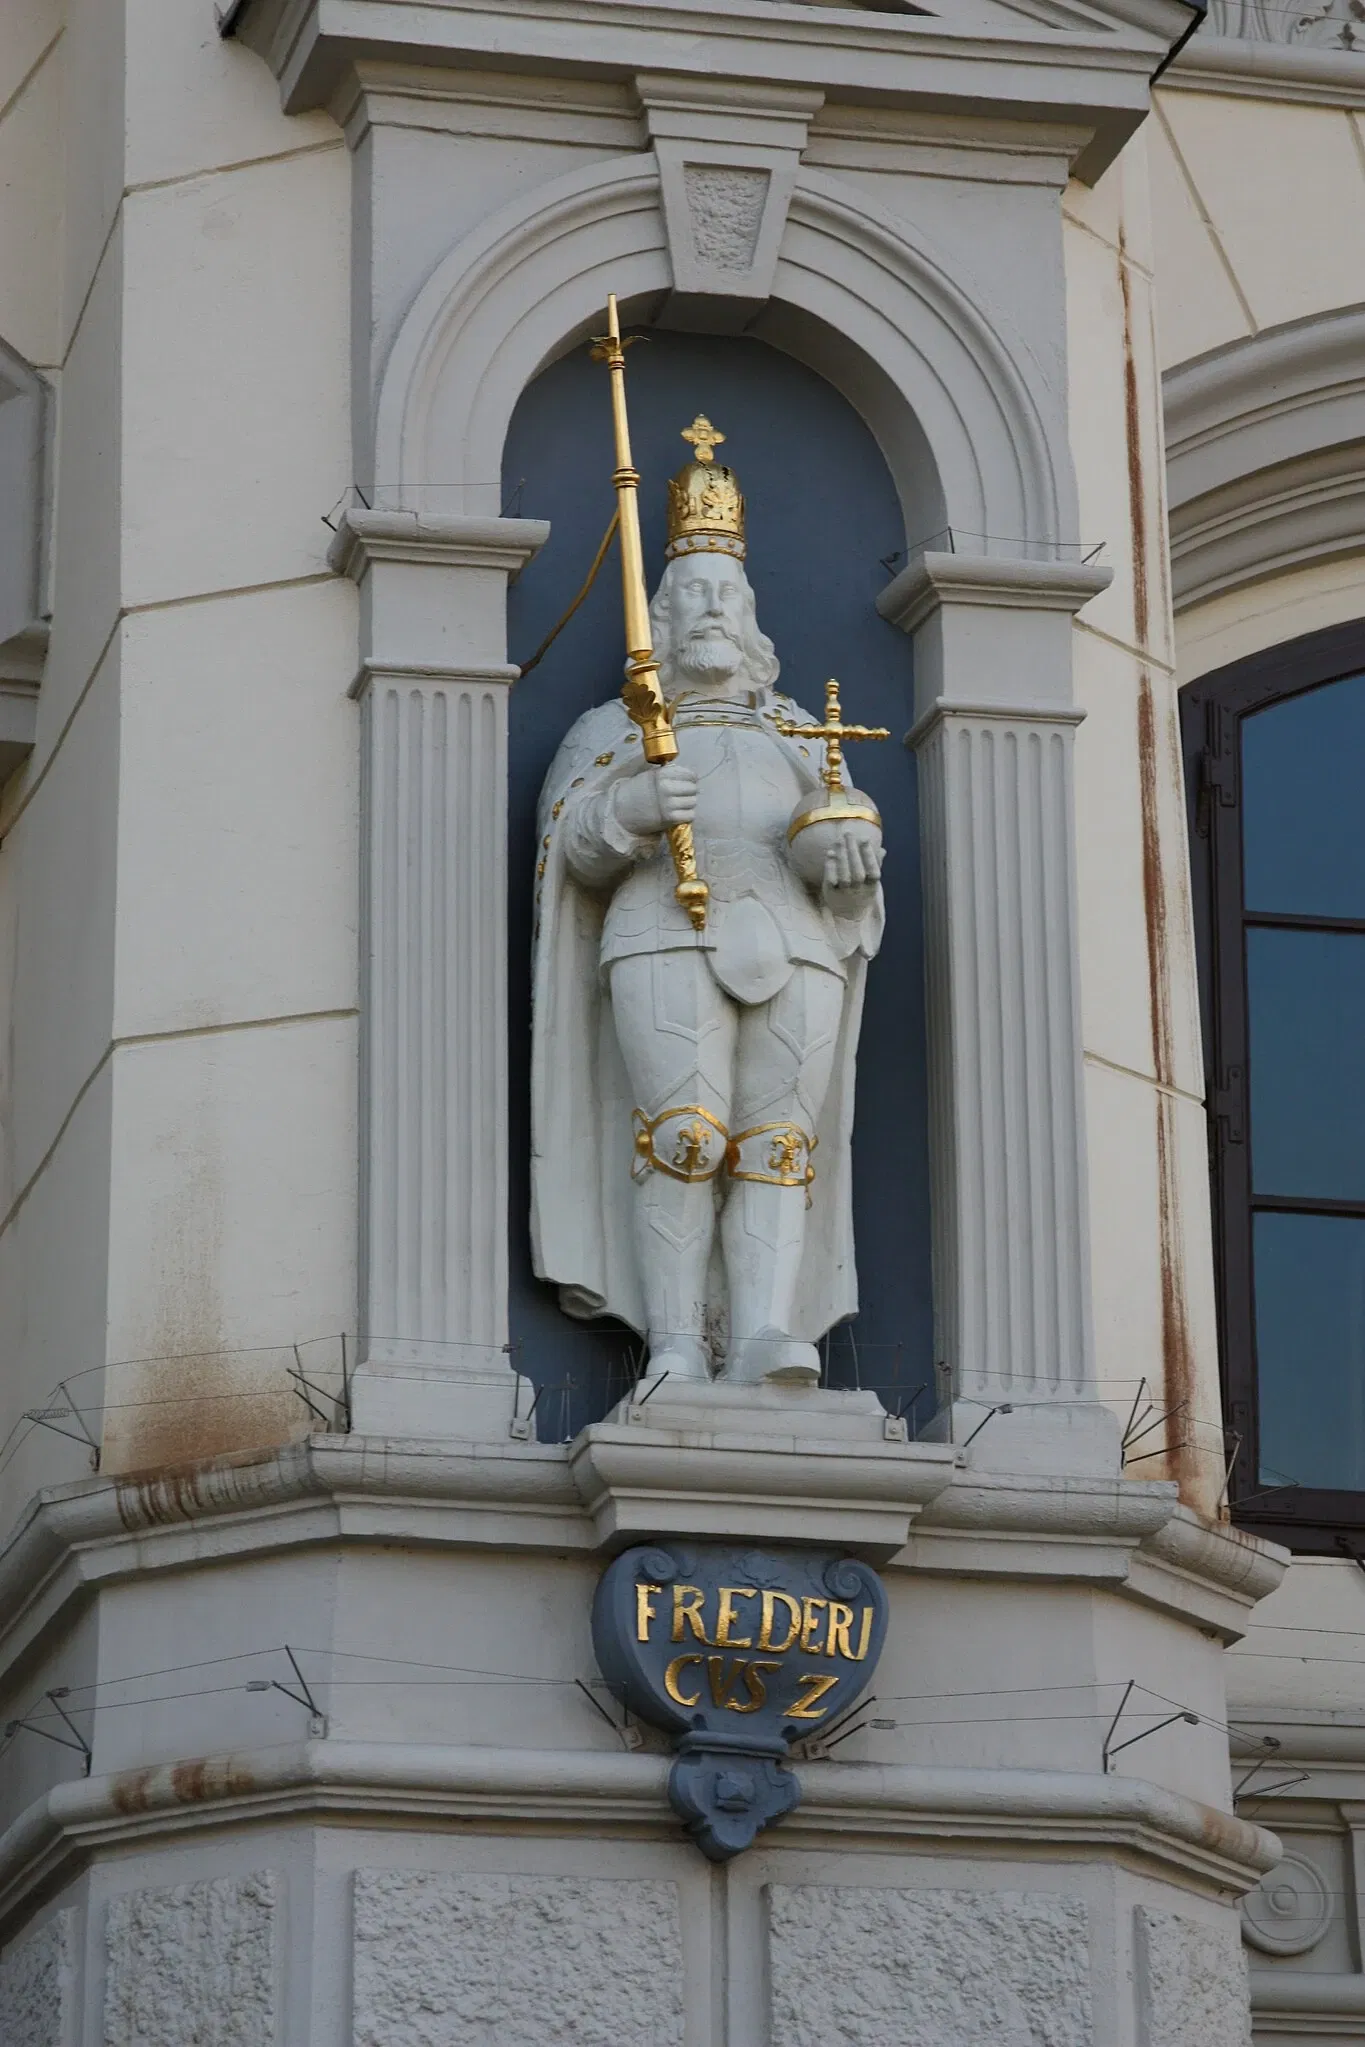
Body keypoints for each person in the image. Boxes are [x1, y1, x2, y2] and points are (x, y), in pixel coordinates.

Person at [530, 422, 884, 1385]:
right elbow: (569, 845)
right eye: (689, 595)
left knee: (775, 1144)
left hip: (793, 941)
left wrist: (850, 866)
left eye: (724, 594)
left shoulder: (801, 732)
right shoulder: (616, 729)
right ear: (662, 612)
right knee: (685, 1133)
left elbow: (845, 842)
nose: (708, 610)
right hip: (660, 935)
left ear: (751, 613)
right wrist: (631, 809)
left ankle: (764, 1330)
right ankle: (678, 1339)